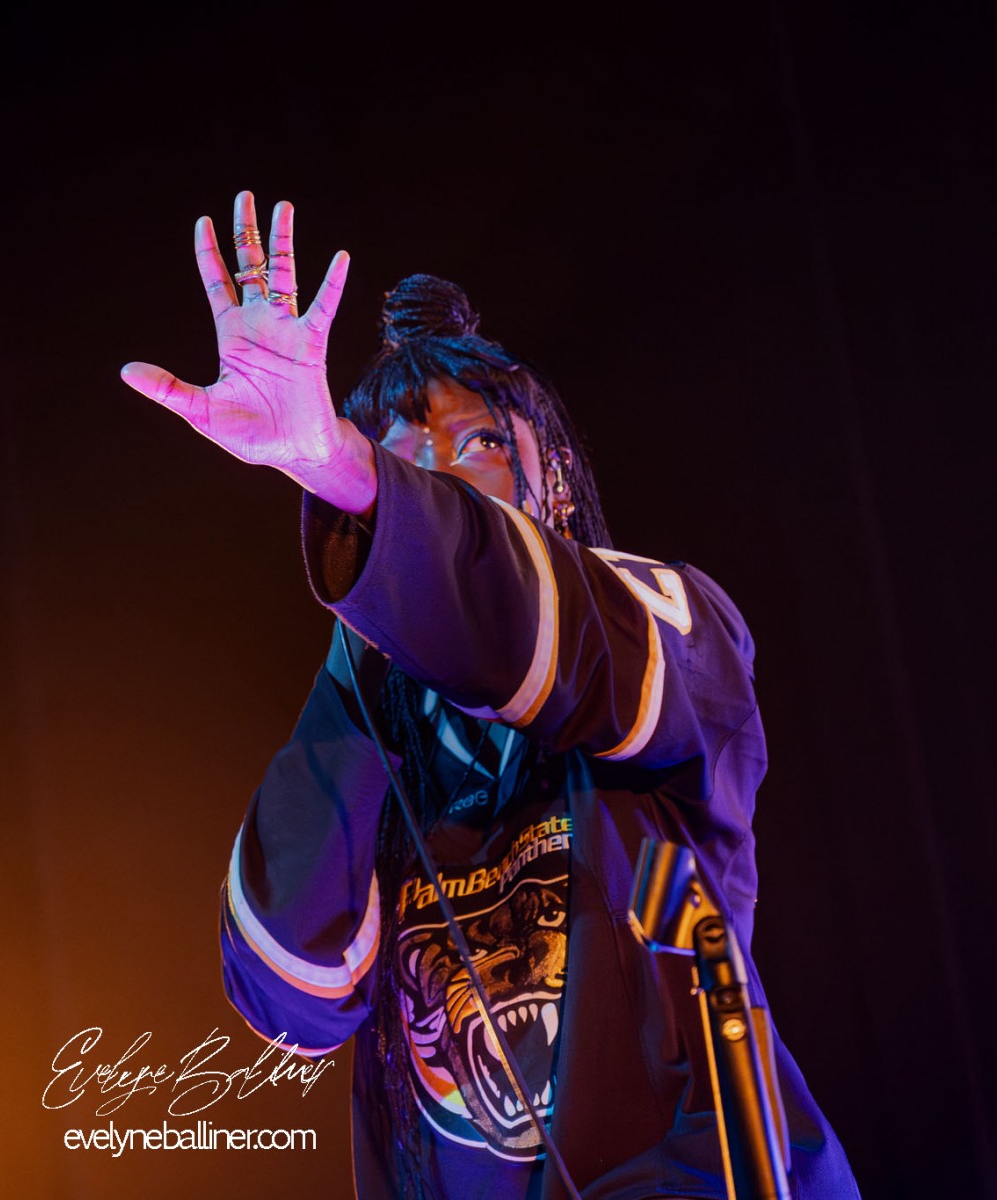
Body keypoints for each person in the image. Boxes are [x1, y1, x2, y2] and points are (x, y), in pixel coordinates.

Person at [121, 192, 858, 1199]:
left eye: (476, 446)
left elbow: (530, 618)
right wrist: (368, 619)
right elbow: (287, 994)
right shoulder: (379, 730)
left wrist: (353, 479)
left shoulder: (671, 625)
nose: (434, 481)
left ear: (556, 477)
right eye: (399, 460)